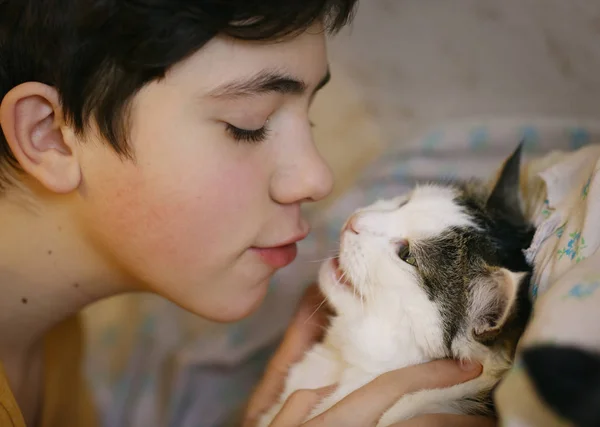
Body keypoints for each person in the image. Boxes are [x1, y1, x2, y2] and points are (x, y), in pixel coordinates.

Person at [0, 1, 494, 426]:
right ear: (50, 136)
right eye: (248, 126)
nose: (316, 178)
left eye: (309, 116)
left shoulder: (48, 339)